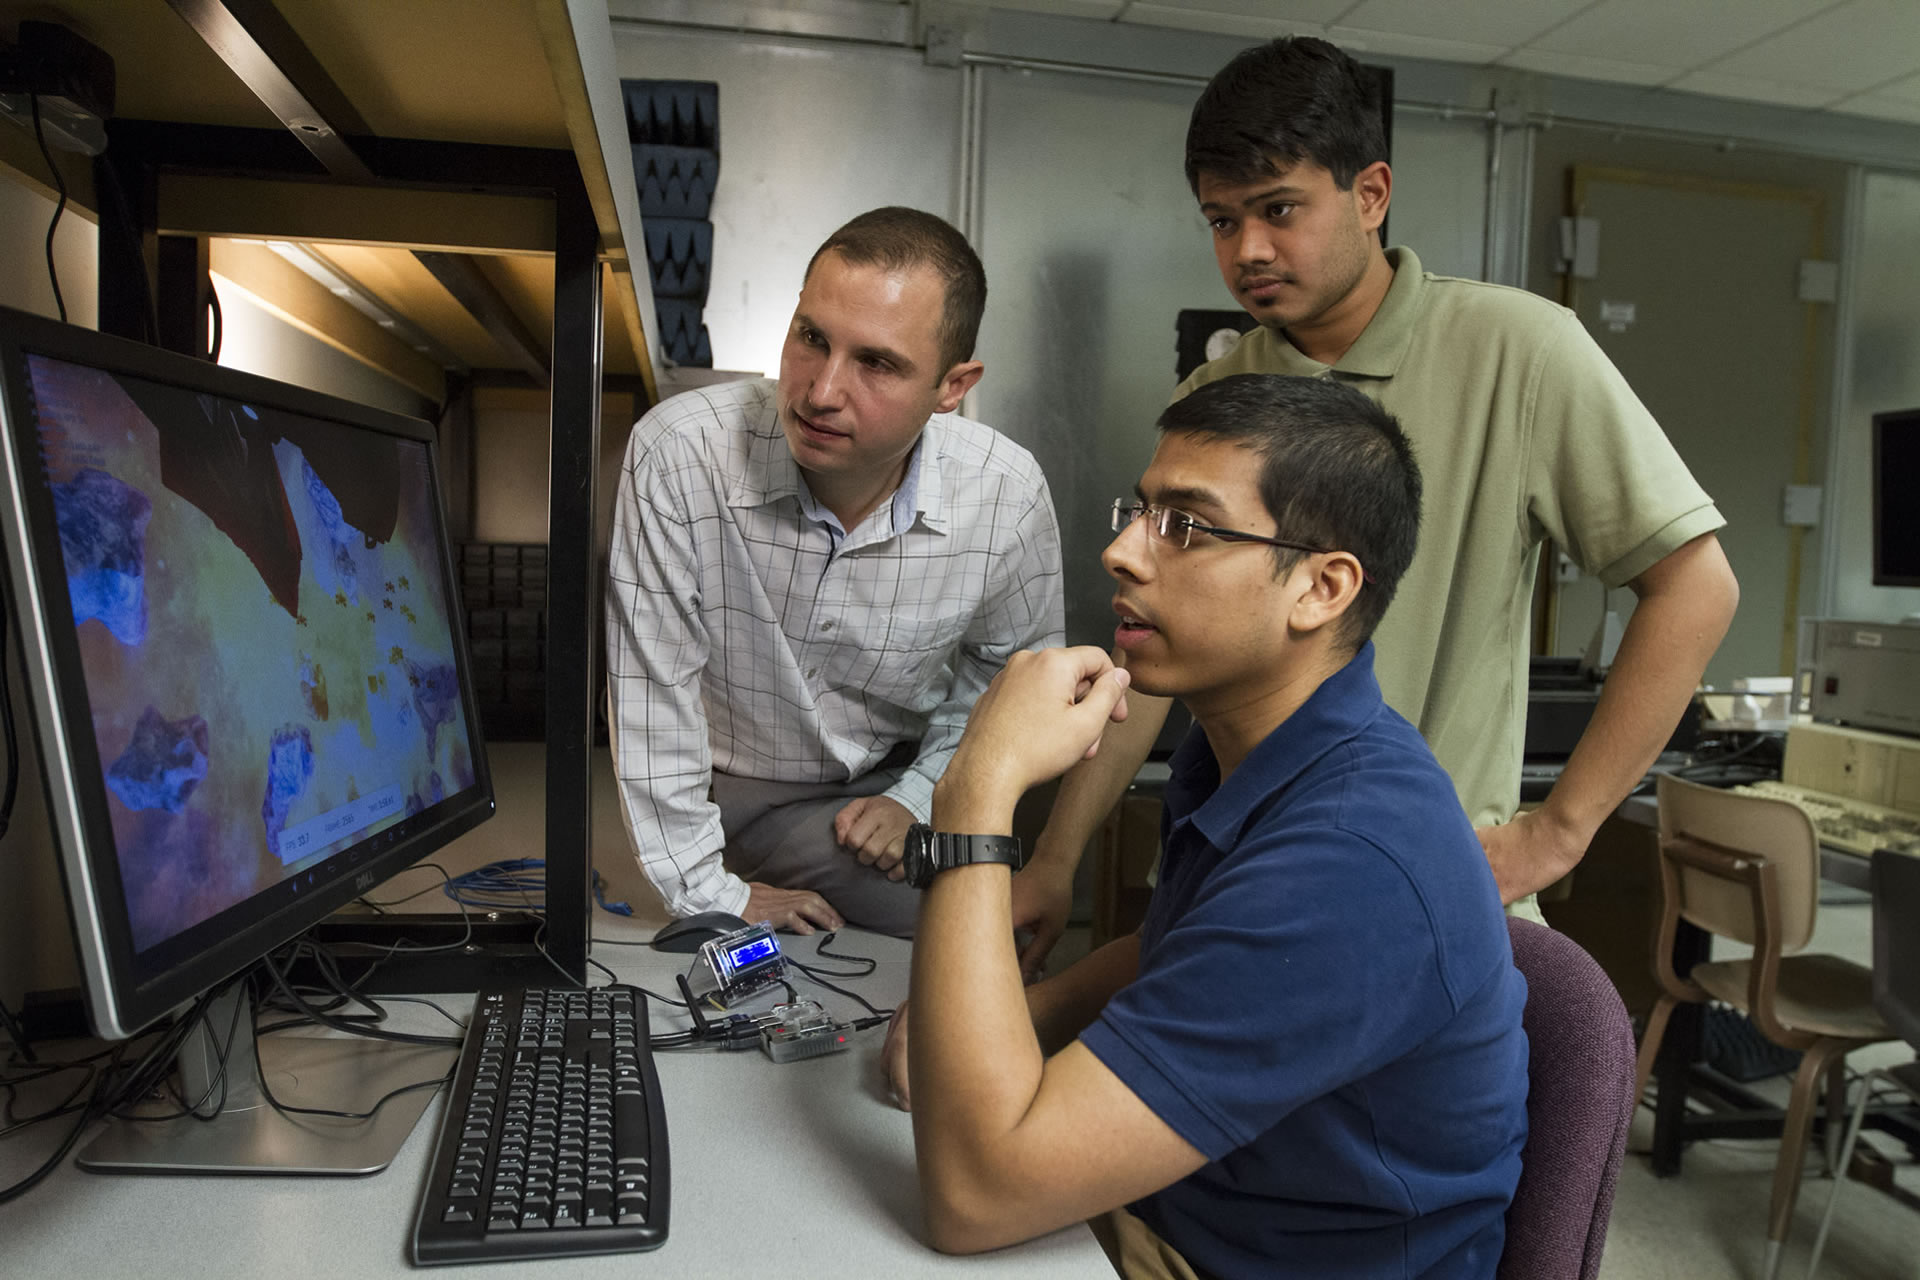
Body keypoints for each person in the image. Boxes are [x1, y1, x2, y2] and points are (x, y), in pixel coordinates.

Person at [1010, 35, 1738, 969]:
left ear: (1370, 194)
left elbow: (1697, 586)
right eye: (1222, 222)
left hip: (1421, 899)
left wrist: (1558, 832)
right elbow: (1158, 638)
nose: (1249, 251)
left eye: (1279, 209)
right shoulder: (1216, 393)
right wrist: (1055, 858)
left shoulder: (1519, 351)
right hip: (1232, 890)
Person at [885, 374, 1528, 1278]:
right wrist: (1030, 1016)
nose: (1121, 552)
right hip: (1184, 1212)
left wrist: (978, 790)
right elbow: (1184, 948)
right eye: (1139, 510)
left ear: (1321, 587)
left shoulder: (1351, 860)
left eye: (1185, 526)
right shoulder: (1257, 747)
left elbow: (973, 1195)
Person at [605, 207, 1064, 937]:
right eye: (811, 338)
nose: (820, 391)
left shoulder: (1005, 492)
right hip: (728, 788)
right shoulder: (681, 453)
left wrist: (915, 796)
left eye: (876, 363)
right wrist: (713, 894)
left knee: (996, 923)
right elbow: (652, 697)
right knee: (959, 930)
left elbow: (1006, 682)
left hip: (886, 785)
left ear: (954, 385)